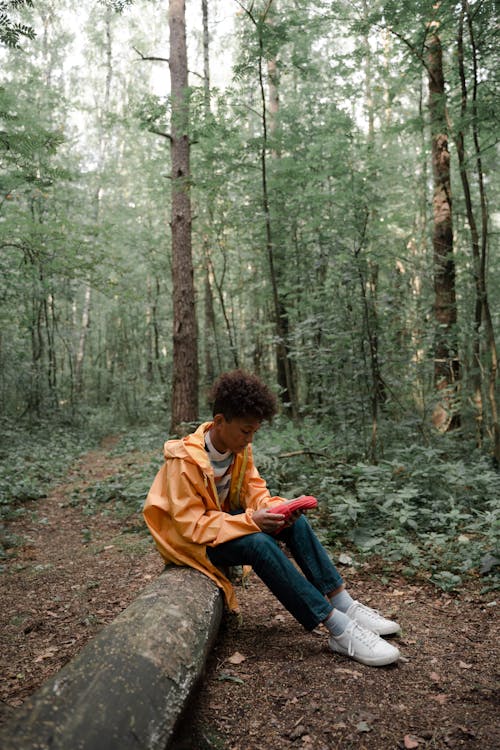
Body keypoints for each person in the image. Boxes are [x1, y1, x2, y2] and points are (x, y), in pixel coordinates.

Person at [144, 370, 401, 667]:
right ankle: (339, 629)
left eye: (255, 432)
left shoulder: (239, 449)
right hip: (191, 544)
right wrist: (252, 521)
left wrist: (277, 510)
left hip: (220, 526)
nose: (250, 438)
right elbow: (192, 527)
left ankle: (344, 603)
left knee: (295, 523)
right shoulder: (184, 460)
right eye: (245, 431)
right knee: (259, 544)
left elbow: (254, 490)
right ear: (218, 422)